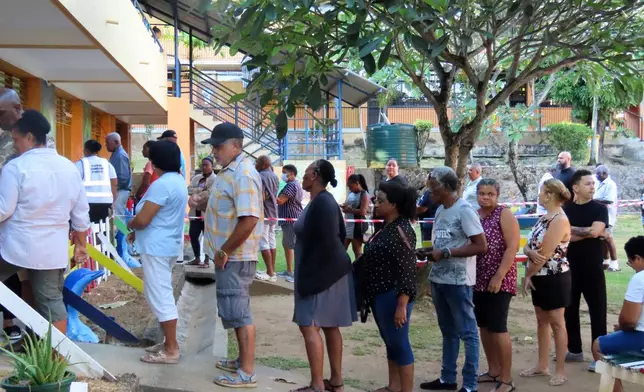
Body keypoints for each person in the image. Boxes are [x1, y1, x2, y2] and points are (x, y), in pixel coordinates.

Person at [0, 110, 90, 334]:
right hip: (51, 250)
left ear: (30, 137)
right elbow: (80, 214)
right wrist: (81, 245)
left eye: (16, 140)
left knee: (31, 289)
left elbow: (3, 209)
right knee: (50, 300)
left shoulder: (16, 167)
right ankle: (55, 358)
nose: (15, 145)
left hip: (16, 246)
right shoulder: (69, 167)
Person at [195, 122, 263, 387]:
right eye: (213, 146)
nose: (214, 151)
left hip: (234, 257)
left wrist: (225, 250)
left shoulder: (243, 173)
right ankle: (241, 360)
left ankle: (247, 372)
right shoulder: (228, 172)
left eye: (218, 146)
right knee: (233, 311)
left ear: (236, 145)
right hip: (227, 256)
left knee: (240, 312)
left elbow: (249, 220)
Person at [418, 166, 487, 392]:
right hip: (439, 279)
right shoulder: (440, 210)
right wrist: (428, 251)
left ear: (448, 187)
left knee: (467, 332)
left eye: (434, 187)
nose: (430, 192)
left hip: (459, 283)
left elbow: (480, 245)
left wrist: (446, 253)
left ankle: (469, 385)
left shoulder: (465, 210)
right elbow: (443, 243)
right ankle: (447, 379)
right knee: (448, 331)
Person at [292, 159, 357, 392]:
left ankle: (318, 384)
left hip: (322, 274)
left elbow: (328, 241)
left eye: (307, 172)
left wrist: (312, 279)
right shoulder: (322, 202)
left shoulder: (322, 204)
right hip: (329, 272)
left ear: (315, 176)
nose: (303, 175)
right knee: (330, 325)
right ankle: (335, 381)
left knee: (309, 325)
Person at [127, 140, 187, 364]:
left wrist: (132, 224)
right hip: (166, 244)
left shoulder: (162, 184)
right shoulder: (177, 181)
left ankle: (171, 349)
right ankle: (168, 344)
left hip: (157, 248)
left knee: (160, 296)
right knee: (161, 293)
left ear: (155, 160)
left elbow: (143, 219)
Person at [364, 182, 418, 392]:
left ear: (394, 204)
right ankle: (393, 386)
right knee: (391, 342)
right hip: (381, 294)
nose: (375, 204)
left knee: (399, 344)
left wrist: (402, 305)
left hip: (394, 296)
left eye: (380, 201)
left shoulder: (402, 231)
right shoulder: (387, 227)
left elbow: (408, 270)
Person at [520, 179, 571, 387]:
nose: (539, 195)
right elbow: (527, 247)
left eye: (541, 192)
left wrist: (528, 275)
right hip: (540, 276)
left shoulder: (559, 220)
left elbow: (544, 255)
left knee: (557, 323)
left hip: (554, 277)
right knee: (541, 320)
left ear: (549, 194)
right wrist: (530, 253)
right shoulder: (544, 218)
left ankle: (560, 370)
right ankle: (542, 365)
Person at [474, 179, 520, 392]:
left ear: (497, 195)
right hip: (478, 279)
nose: (485, 197)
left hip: (500, 280)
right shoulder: (475, 214)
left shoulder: (504, 214)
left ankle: (507, 378)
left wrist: (499, 276)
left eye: (490, 194)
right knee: (484, 325)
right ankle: (493, 371)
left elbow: (512, 247)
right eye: (482, 193)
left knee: (498, 327)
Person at [563, 169, 608, 371]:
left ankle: (599, 356)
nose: (592, 186)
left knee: (597, 311)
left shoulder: (600, 209)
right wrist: (587, 232)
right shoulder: (566, 209)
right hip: (569, 267)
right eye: (588, 183)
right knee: (569, 309)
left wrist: (571, 230)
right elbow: (563, 236)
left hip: (593, 267)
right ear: (576, 187)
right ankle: (574, 349)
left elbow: (597, 230)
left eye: (593, 183)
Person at [592, 236, 644, 392]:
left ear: (638, 258)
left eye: (630, 263)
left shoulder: (640, 278)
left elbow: (629, 320)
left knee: (598, 345)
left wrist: (621, 327)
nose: (632, 267)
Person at [106, 132, 135, 264]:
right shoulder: (117, 154)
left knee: (119, 220)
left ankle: (124, 250)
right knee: (119, 219)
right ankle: (125, 248)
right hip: (119, 190)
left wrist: (114, 190)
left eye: (108, 142)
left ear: (116, 142)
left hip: (120, 190)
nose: (106, 145)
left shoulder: (120, 156)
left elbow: (122, 177)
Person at [76, 140, 118, 223]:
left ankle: (125, 232)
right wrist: (113, 200)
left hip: (87, 203)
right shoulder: (107, 163)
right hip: (106, 202)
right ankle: (126, 233)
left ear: (86, 150)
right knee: (105, 226)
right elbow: (114, 183)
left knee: (90, 228)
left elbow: (74, 183)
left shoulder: (80, 164)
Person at [186, 157, 216, 268]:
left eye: (206, 165)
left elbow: (209, 194)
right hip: (195, 213)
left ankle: (207, 261)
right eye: (202, 165)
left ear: (212, 166)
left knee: (207, 237)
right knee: (193, 235)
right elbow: (189, 190)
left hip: (207, 213)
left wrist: (196, 195)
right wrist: (200, 192)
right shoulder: (196, 178)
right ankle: (197, 258)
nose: (203, 167)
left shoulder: (215, 179)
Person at [277, 164, 304, 283]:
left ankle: (293, 273)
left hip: (291, 219)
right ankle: (289, 271)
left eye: (285, 172)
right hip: (290, 219)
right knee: (288, 245)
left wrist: (269, 193)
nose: (283, 174)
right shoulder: (293, 185)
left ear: (292, 173)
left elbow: (280, 200)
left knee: (290, 246)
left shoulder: (292, 185)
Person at [255, 155, 279, 282]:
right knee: (271, 241)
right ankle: (272, 271)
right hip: (273, 213)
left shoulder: (260, 176)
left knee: (263, 242)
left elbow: (262, 196)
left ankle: (269, 272)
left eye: (257, 161)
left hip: (264, 212)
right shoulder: (274, 176)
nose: (255, 163)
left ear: (264, 164)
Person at [594, 165, 620, 272]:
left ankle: (615, 263)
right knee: (602, 240)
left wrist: (593, 201)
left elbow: (609, 200)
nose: (596, 176)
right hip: (600, 215)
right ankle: (606, 261)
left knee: (608, 239)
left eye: (597, 174)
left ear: (604, 174)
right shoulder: (599, 183)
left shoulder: (611, 185)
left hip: (608, 216)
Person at [374, 159, 408, 233]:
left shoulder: (401, 182)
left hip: (394, 218)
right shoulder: (384, 181)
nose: (391, 167)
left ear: (397, 168)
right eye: (389, 165)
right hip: (382, 218)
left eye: (393, 165)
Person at [341, 174, 370, 258]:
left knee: (357, 252)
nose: (349, 189)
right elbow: (347, 204)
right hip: (348, 226)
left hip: (357, 227)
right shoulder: (351, 193)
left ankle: (359, 269)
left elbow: (363, 211)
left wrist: (349, 210)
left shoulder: (364, 194)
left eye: (351, 186)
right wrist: (344, 207)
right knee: (341, 250)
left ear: (357, 183)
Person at [417, 173, 439, 247]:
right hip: (428, 223)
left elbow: (422, 209)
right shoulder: (429, 192)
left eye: (427, 178)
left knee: (427, 246)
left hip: (429, 224)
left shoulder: (430, 193)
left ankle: (427, 256)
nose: (425, 180)